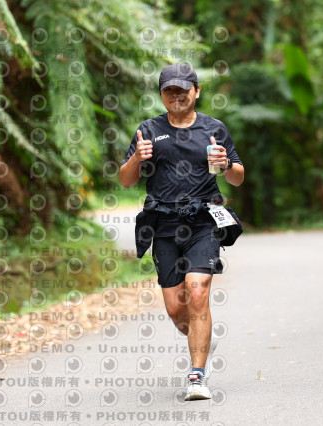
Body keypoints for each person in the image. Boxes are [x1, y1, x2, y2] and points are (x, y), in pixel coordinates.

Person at [119, 63, 244, 401]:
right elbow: (126, 180)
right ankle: (201, 338)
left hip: (203, 221)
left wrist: (226, 164)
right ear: (162, 95)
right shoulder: (148, 130)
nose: (176, 95)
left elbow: (237, 177)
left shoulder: (214, 129)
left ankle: (197, 376)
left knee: (198, 292)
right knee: (177, 309)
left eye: (183, 89)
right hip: (163, 224)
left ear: (196, 91)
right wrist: (137, 158)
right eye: (169, 90)